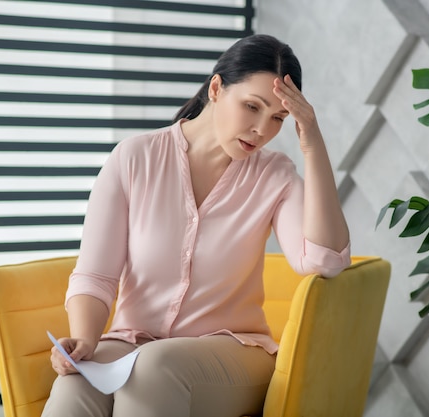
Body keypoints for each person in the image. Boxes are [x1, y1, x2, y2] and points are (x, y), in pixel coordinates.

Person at [41, 33, 351, 417]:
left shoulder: (275, 176)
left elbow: (325, 260)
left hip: (234, 353)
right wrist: (85, 341)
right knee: (74, 389)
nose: (261, 129)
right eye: (251, 106)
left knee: (154, 368)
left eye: (278, 118)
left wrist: (312, 146)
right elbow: (95, 275)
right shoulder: (134, 158)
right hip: (132, 342)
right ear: (217, 88)